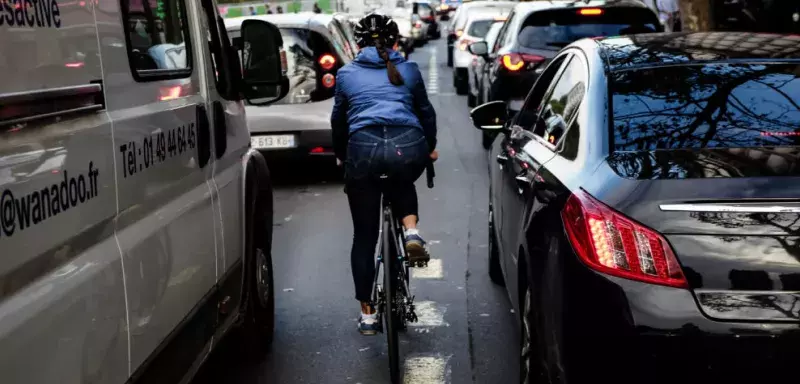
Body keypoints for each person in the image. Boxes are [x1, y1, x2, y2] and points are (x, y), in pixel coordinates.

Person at [330, 13, 438, 336]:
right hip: (408, 146)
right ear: (395, 42)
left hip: (363, 152)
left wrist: (341, 155)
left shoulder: (346, 75)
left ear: (358, 44)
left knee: (364, 236)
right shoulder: (409, 70)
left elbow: (339, 123)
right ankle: (411, 232)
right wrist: (429, 148)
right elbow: (426, 114)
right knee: (401, 176)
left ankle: (367, 315)